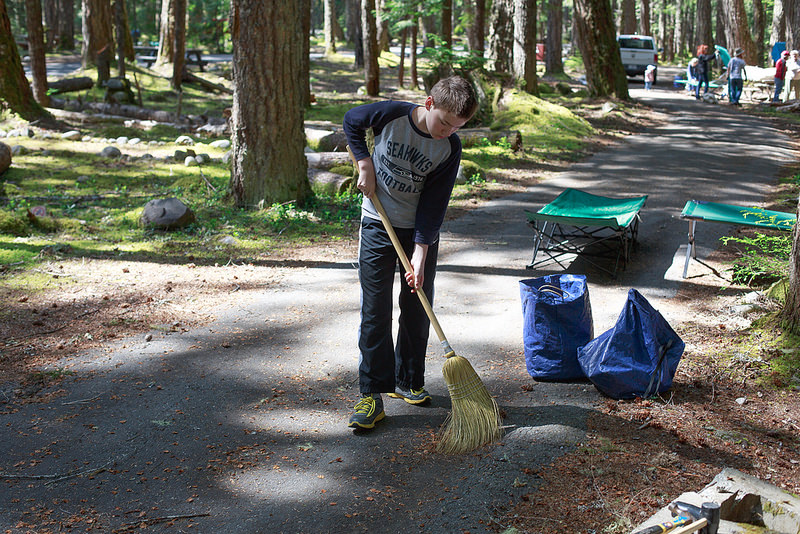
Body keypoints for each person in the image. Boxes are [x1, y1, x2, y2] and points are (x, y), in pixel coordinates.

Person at [342, 76, 478, 430]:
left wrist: (420, 253)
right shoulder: (392, 115)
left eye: (457, 127)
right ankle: (371, 394)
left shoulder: (449, 150)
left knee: (417, 307)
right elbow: (352, 120)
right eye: (445, 122)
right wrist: (364, 163)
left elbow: (434, 206)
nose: (447, 131)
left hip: (417, 231)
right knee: (375, 310)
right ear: (430, 104)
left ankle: (409, 380)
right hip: (377, 222)